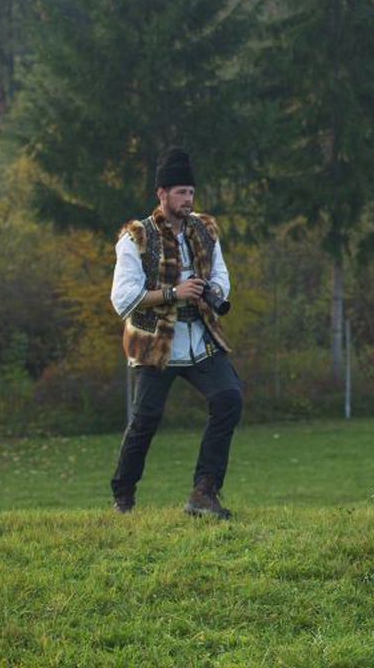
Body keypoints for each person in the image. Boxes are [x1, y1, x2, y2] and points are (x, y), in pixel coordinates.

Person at [109, 147, 242, 518]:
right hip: (154, 343)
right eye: (181, 192)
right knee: (144, 421)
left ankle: (204, 492)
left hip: (199, 336)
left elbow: (222, 277)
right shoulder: (136, 237)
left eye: (191, 192)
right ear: (161, 194)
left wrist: (209, 291)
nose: (188, 199)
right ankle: (123, 497)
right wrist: (173, 293)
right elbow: (122, 299)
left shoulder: (205, 229)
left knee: (229, 399)